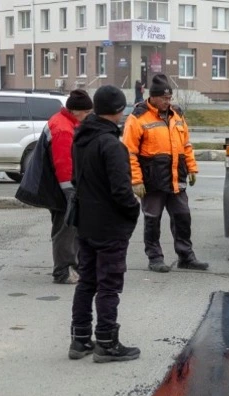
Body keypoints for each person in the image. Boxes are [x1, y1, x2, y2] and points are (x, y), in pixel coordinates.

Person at [68, 85, 141, 363]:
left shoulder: (81, 138)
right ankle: (107, 343)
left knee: (86, 282)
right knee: (109, 285)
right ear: (119, 111)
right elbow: (122, 191)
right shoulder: (112, 145)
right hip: (109, 226)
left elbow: (75, 179)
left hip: (85, 222)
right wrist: (133, 209)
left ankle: (80, 339)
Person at [123, 73, 208, 272]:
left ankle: (186, 257)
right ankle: (155, 258)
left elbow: (186, 145)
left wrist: (192, 167)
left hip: (176, 178)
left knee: (183, 217)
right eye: (163, 98)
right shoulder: (137, 117)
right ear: (153, 96)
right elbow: (129, 152)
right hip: (152, 180)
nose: (167, 101)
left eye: (169, 98)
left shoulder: (177, 114)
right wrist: (136, 180)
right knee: (152, 219)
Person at [15, 89, 94, 284]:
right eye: (87, 112)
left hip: (56, 185)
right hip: (58, 187)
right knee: (66, 228)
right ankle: (63, 271)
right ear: (76, 111)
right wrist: (71, 193)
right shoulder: (63, 129)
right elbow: (64, 164)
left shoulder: (65, 121)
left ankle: (74, 267)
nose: (89, 116)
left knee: (69, 227)